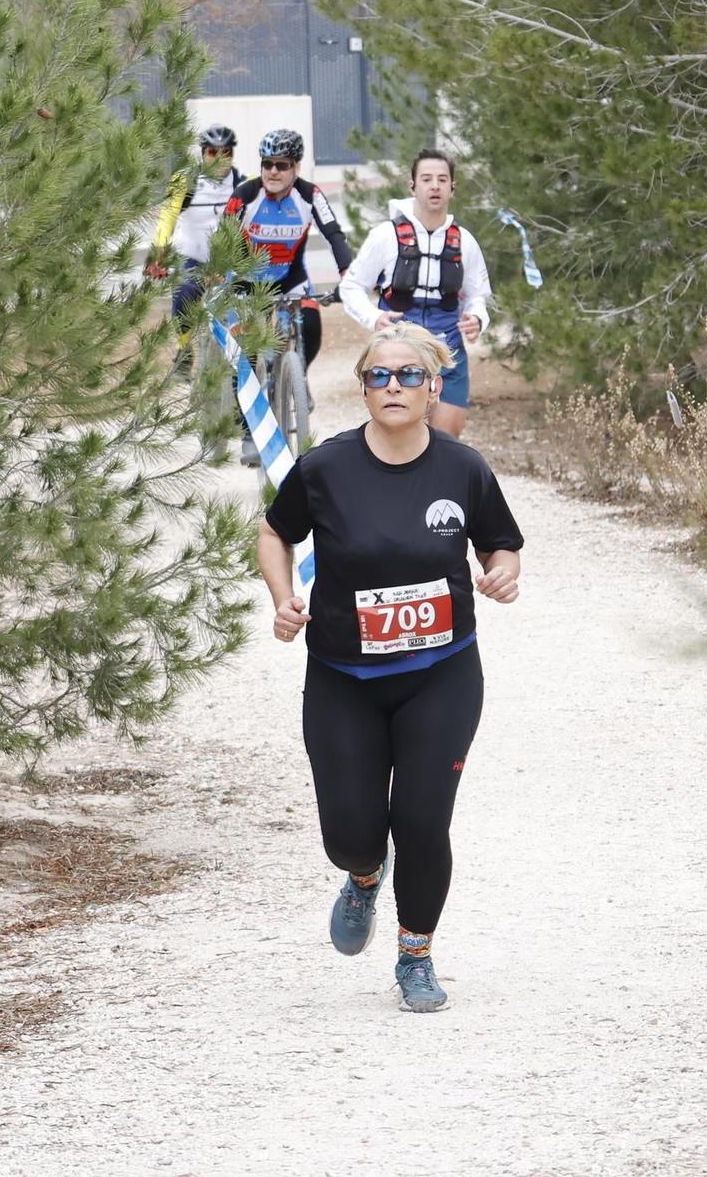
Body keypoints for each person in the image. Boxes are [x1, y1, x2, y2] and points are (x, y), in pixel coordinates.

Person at [257, 322, 524, 1013]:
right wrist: (284, 598)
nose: (395, 386)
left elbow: (503, 546)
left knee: (422, 819)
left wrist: (501, 574)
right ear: (363, 388)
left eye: (410, 375)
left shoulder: (463, 469)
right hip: (344, 677)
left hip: (442, 673)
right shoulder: (326, 468)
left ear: (435, 387)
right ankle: (364, 875)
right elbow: (273, 530)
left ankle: (415, 955)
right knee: (350, 831)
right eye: (380, 375)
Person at [337, 149, 492, 439]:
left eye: (442, 179)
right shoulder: (385, 235)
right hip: (397, 349)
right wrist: (375, 318)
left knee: (447, 438)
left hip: (447, 349)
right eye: (427, 179)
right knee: (399, 435)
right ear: (413, 186)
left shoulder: (465, 241)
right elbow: (351, 286)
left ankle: (438, 486)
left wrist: (477, 318)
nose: (435, 185)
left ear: (452, 188)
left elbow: (478, 296)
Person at [222, 128, 352, 371]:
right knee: (245, 358)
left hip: (290, 279)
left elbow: (334, 235)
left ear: (296, 168)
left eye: (281, 165)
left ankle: (295, 379)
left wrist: (348, 275)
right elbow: (222, 239)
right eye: (267, 164)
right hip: (246, 281)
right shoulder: (245, 194)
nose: (273, 171)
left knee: (312, 328)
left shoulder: (309, 195)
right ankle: (243, 409)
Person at [146, 124, 244, 321]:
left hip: (228, 263)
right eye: (212, 152)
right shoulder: (183, 181)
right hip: (191, 258)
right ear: (203, 153)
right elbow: (167, 219)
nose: (219, 158)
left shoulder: (243, 184)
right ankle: (184, 349)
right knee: (183, 301)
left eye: (226, 152)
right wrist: (159, 252)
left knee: (243, 315)